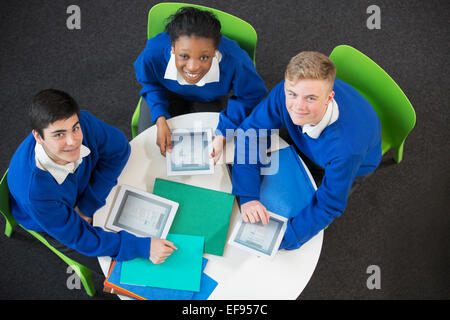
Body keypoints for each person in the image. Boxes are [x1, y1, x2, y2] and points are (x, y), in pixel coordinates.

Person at [7, 89, 177, 276]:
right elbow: (80, 237)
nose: (73, 141)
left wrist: (88, 205)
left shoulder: (82, 123)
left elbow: (119, 149)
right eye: (58, 135)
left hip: (81, 194)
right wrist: (142, 247)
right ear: (38, 137)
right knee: (122, 271)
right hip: (54, 221)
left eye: (75, 128)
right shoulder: (35, 193)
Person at [231, 51, 382, 250]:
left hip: (350, 163)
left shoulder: (346, 149)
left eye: (311, 98)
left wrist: (284, 238)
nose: (298, 107)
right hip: (310, 144)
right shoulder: (284, 93)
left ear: (329, 98)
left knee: (313, 204)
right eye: (292, 94)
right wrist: (249, 197)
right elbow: (249, 134)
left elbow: (329, 203)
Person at [134, 6, 268, 163]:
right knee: (150, 149)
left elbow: (250, 95)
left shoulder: (236, 60)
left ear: (215, 51)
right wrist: (160, 118)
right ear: (172, 48)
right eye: (184, 55)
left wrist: (224, 133)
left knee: (210, 153)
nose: (193, 67)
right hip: (165, 94)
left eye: (204, 57)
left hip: (207, 99)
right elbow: (150, 83)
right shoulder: (152, 53)